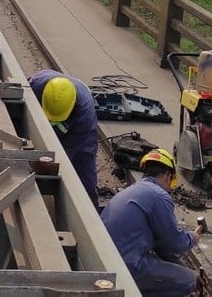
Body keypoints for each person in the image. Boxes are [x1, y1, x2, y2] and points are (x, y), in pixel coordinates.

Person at [100, 148, 202, 297]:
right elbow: (175, 243)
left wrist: (183, 267)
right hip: (126, 266)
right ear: (168, 176)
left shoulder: (132, 190)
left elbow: (162, 246)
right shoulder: (159, 196)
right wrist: (193, 237)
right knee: (187, 281)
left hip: (106, 259)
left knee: (184, 274)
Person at [28, 69, 98, 206]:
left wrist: (48, 169)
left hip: (80, 134)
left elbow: (66, 154)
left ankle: (91, 212)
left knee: (84, 177)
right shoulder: (35, 85)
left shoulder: (84, 115)